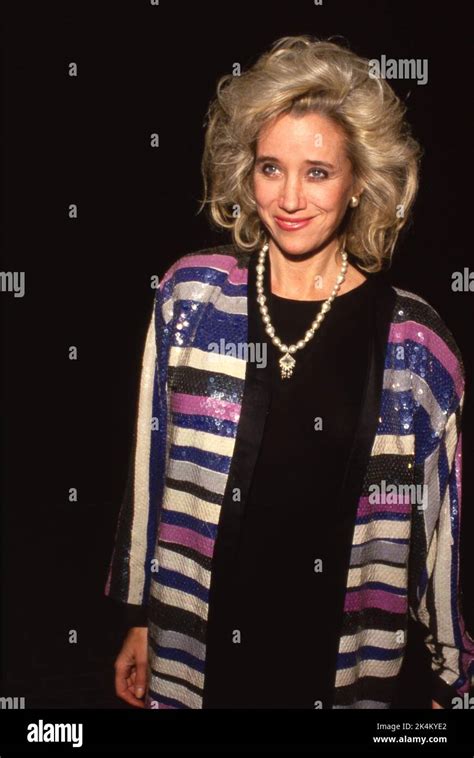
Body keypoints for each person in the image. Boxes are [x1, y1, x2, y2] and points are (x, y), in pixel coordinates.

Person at [104, 35, 474, 709]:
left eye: (318, 172)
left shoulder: (417, 345)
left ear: (360, 180)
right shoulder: (190, 298)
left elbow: (445, 534)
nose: (291, 197)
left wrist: (456, 677)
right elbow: (149, 464)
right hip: (201, 647)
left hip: (337, 658)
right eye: (271, 167)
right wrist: (139, 616)